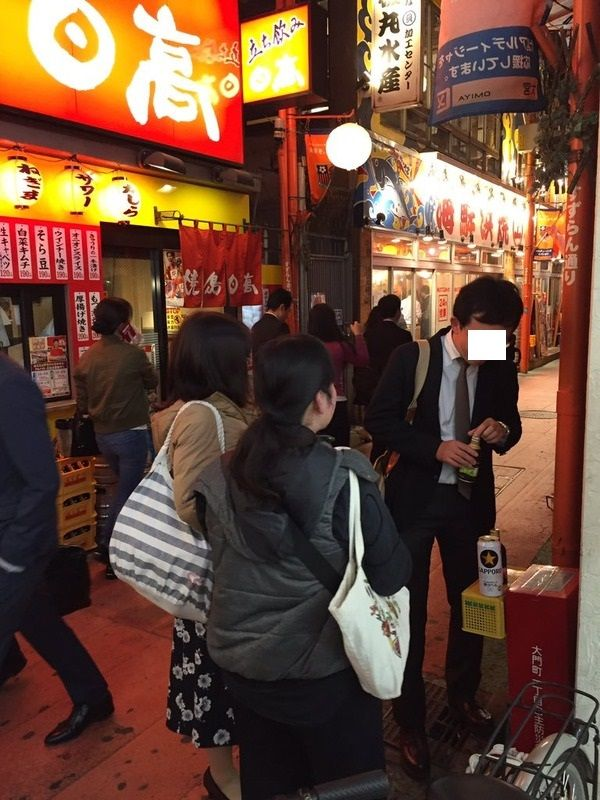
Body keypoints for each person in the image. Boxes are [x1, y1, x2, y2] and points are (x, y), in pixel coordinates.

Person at [193, 334, 411, 800]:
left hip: (246, 674)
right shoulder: (347, 480)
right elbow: (391, 575)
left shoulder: (217, 475)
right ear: (323, 398)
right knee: (347, 788)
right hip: (327, 679)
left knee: (269, 780)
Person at [364, 277, 523, 782]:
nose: (491, 346)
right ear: (455, 323)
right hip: (414, 502)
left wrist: (502, 430)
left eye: (501, 337)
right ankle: (410, 720)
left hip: (469, 505)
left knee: (472, 604)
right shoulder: (412, 359)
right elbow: (380, 420)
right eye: (483, 334)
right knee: (407, 610)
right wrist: (434, 447)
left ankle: (462, 695)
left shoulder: (498, 363)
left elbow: (512, 423)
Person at [151, 312, 253, 800]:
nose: (250, 364)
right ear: (221, 361)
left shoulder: (221, 409)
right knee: (215, 678)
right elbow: (192, 504)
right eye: (244, 357)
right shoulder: (201, 416)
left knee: (227, 675)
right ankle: (223, 776)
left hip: (226, 571)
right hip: (212, 575)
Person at [0, 353, 113, 745]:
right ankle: (93, 696)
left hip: (17, 540)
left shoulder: (10, 387)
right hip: (11, 539)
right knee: (39, 621)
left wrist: (11, 555)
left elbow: (43, 480)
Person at [74, 298, 158, 578]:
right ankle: (108, 547)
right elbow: (152, 381)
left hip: (103, 435)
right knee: (128, 491)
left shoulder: (87, 357)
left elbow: (83, 403)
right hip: (131, 433)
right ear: (124, 325)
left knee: (124, 488)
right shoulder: (132, 355)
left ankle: (121, 547)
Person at [307, 303, 369, 446]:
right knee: (340, 447)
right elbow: (363, 360)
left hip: (312, 401)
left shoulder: (307, 347)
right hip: (337, 400)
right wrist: (358, 335)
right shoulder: (340, 346)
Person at [250, 288, 292, 357]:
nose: (288, 315)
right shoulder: (281, 327)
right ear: (282, 307)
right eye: (288, 311)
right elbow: (285, 355)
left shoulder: (256, 326)